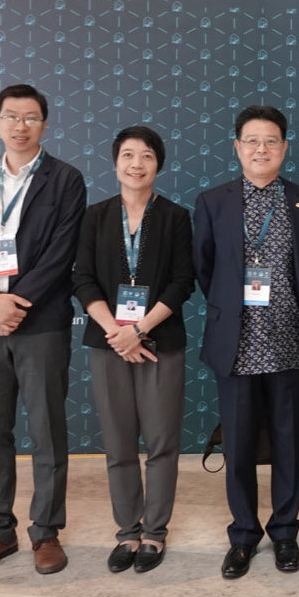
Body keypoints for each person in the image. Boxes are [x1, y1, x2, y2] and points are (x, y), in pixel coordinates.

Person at [0, 84, 86, 577]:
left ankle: (45, 532)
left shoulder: (65, 179)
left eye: (30, 117)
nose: (20, 126)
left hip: (40, 322)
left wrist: (14, 305)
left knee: (47, 427)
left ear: (44, 124)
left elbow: (61, 253)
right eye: (11, 116)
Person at [193, 105, 299, 579]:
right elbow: (205, 268)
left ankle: (284, 531)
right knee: (239, 446)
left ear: (284, 147)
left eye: (270, 141)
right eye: (251, 141)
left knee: (289, 443)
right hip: (237, 344)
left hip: (291, 342)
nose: (261, 149)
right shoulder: (214, 201)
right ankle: (243, 534)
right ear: (237, 147)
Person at [72, 126, 194, 574]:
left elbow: (183, 282)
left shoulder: (176, 217)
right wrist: (117, 332)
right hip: (109, 344)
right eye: (127, 155)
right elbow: (82, 278)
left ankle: (155, 533)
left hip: (160, 342)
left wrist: (139, 329)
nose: (136, 164)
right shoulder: (94, 216)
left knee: (161, 442)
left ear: (158, 164)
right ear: (115, 162)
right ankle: (127, 531)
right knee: (119, 443)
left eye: (146, 156)